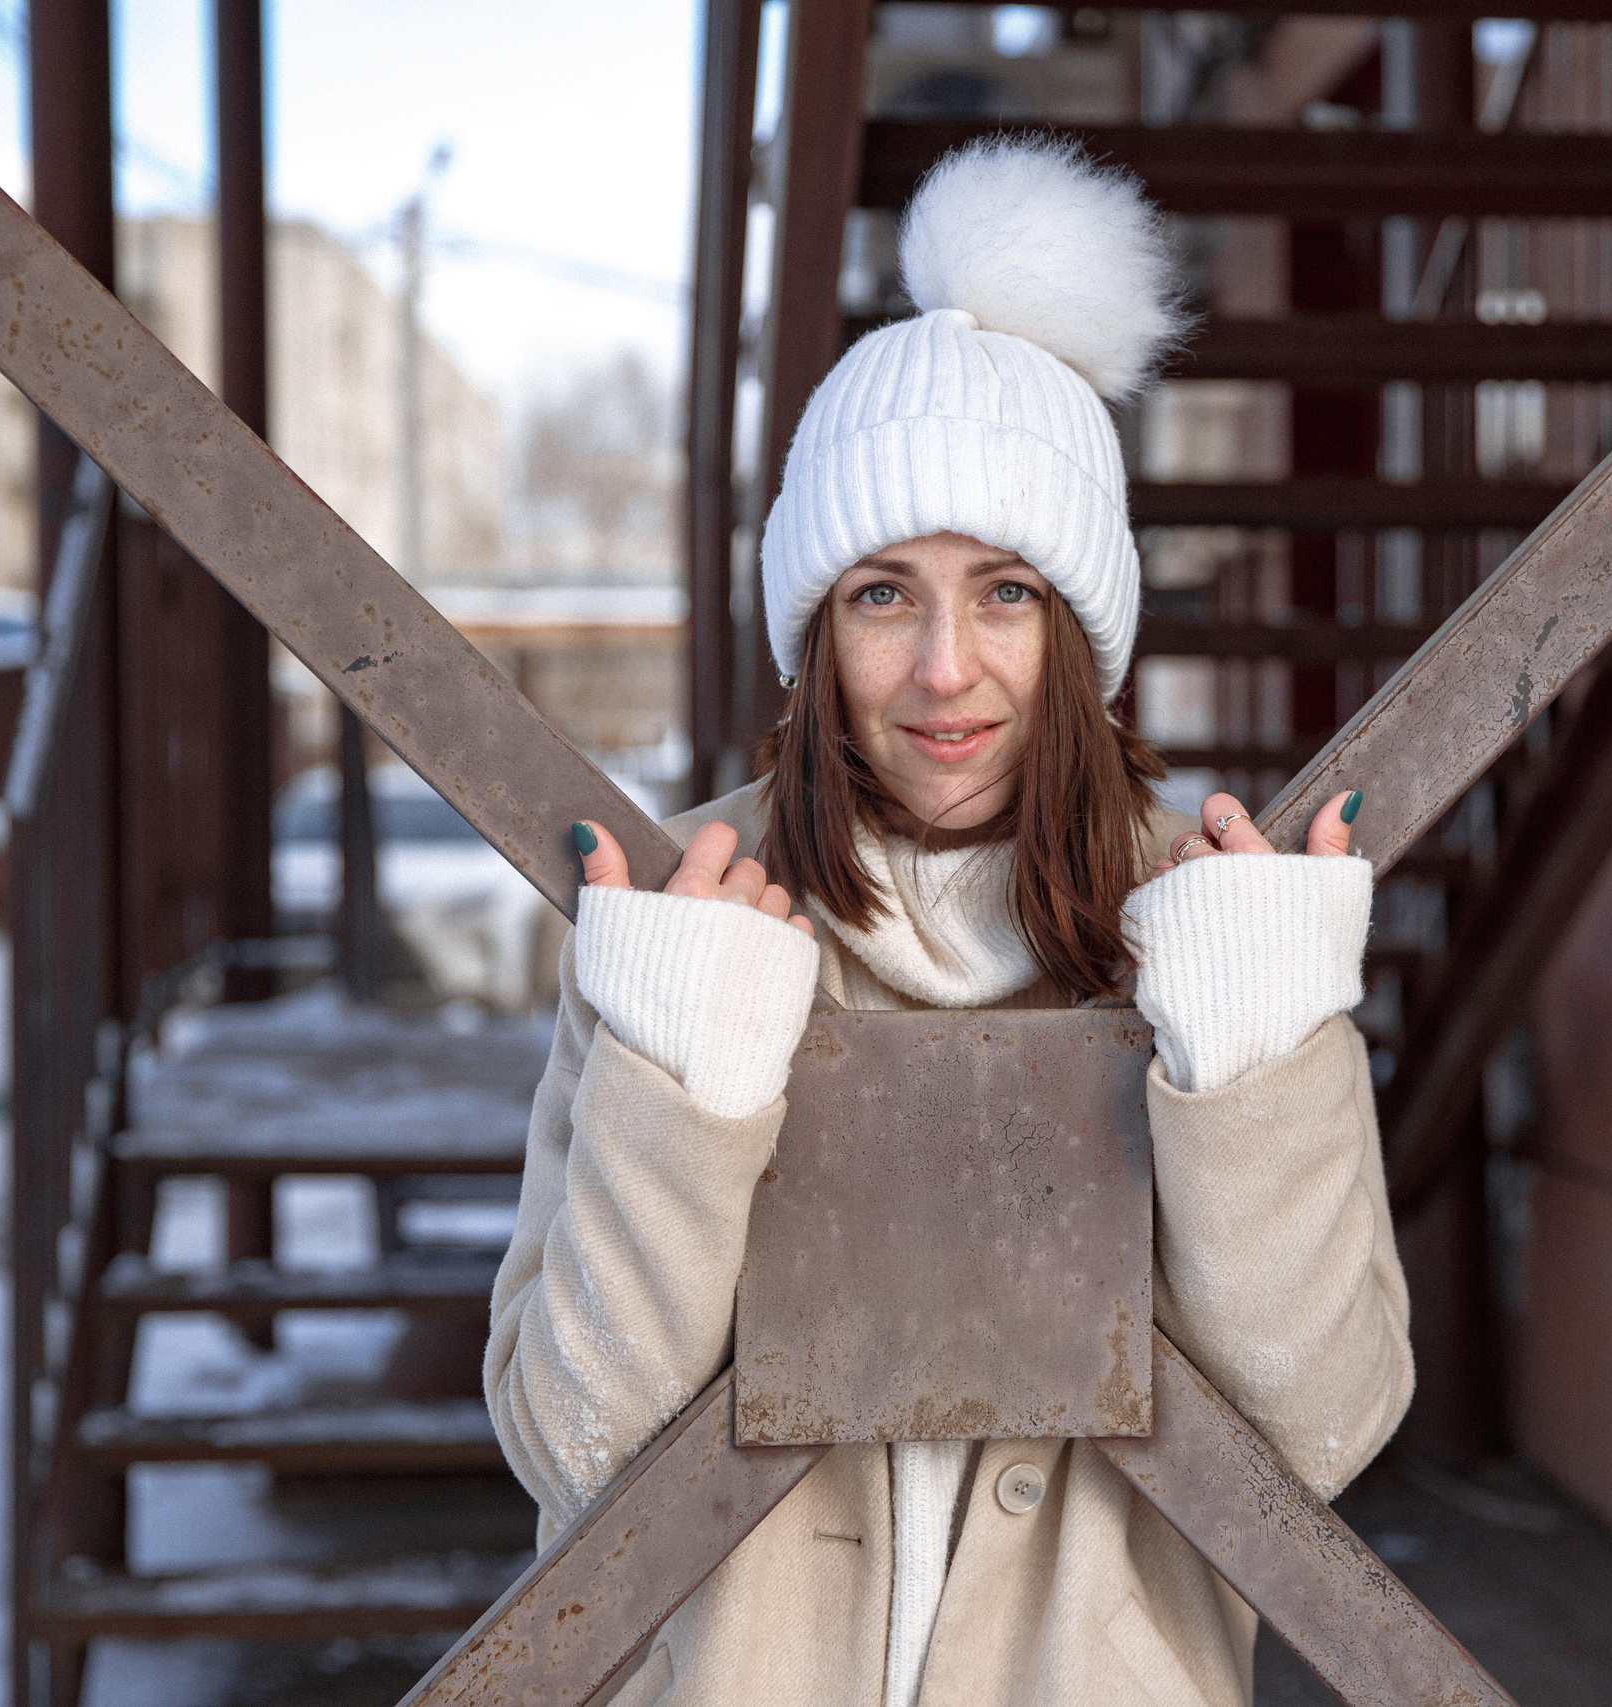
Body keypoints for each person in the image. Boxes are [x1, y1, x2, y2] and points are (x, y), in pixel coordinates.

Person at [486, 135, 1411, 1707]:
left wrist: (1254, 1045)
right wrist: (684, 1073)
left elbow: (1326, 1428)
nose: (942, 668)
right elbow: (566, 1442)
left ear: (1082, 626)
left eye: (1005, 592)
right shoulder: (687, 901)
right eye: (881, 593)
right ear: (812, 629)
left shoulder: (1203, 913)